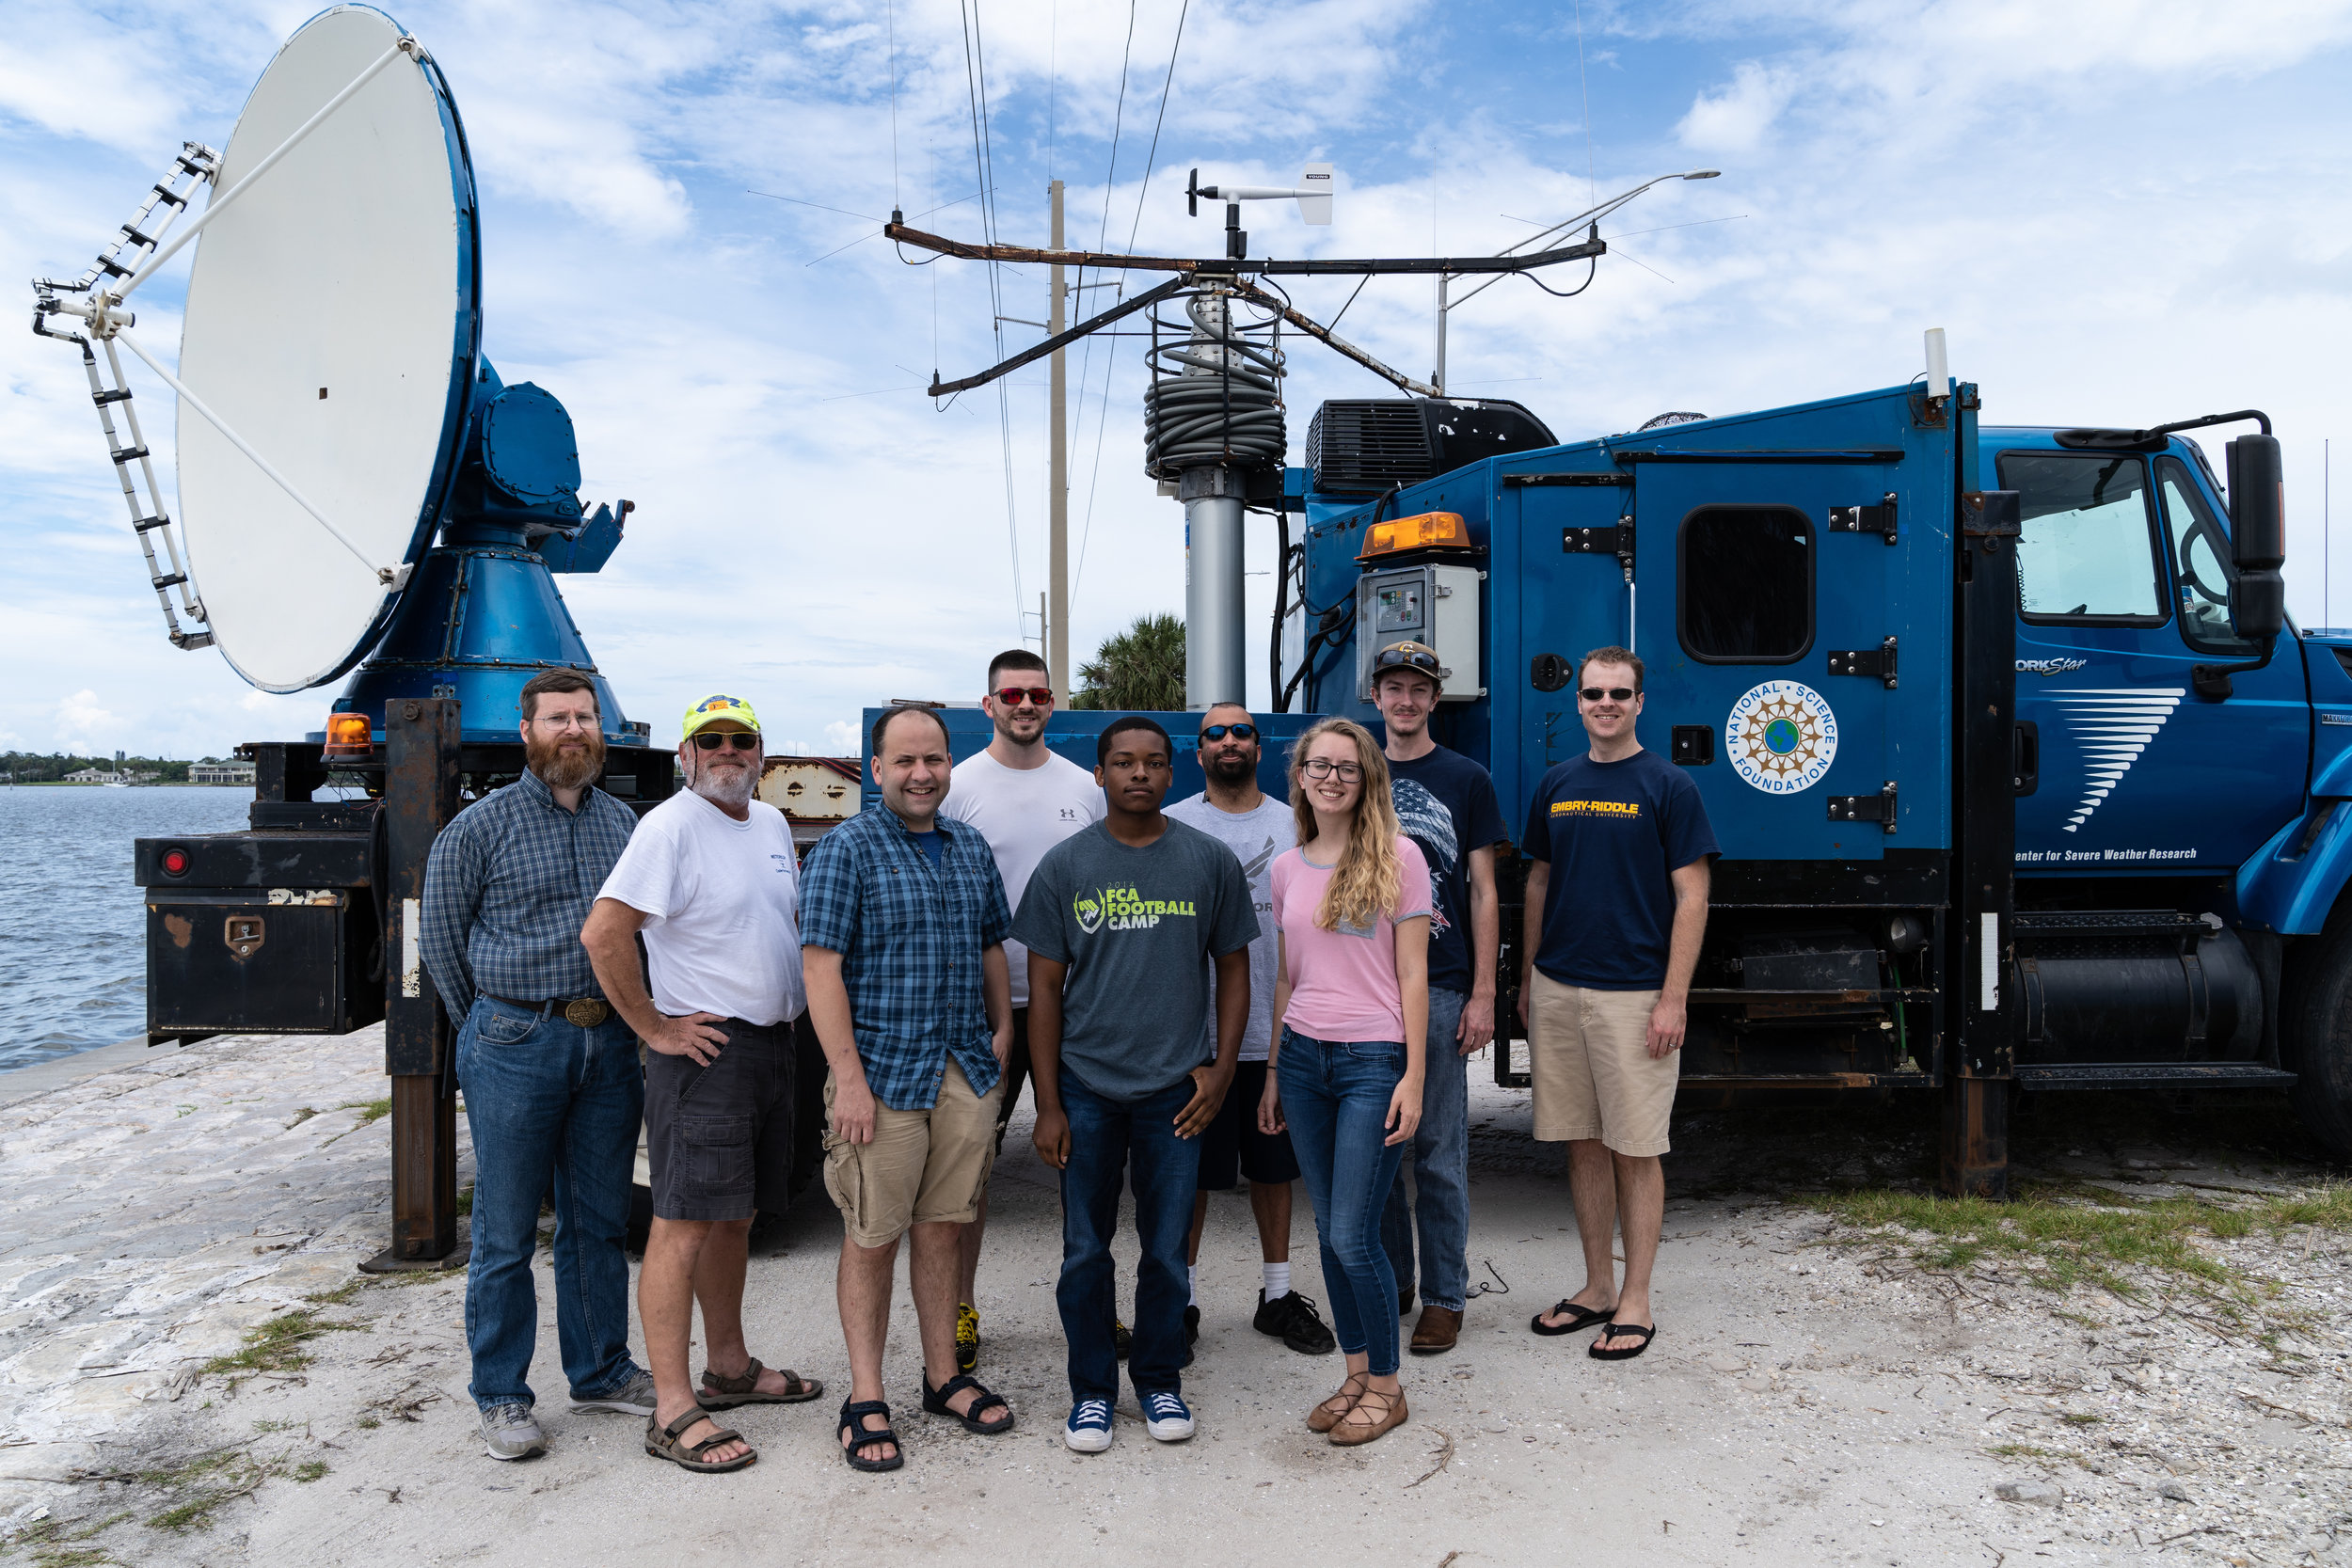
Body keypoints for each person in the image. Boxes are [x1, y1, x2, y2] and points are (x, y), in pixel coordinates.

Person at [581, 694, 825, 1474]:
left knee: (734, 1217)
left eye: (741, 738)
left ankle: (729, 1368)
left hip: (770, 1048)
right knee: (680, 1223)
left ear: (762, 753)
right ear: (685, 755)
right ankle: (673, 1408)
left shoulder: (771, 825)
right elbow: (604, 930)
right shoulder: (670, 826)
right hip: (705, 1058)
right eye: (709, 739)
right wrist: (655, 1027)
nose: (727, 750)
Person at [419, 669, 653, 1463]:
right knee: (506, 1227)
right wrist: (490, 1028)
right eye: (558, 718)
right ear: (527, 732)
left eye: (586, 717)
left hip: (608, 1043)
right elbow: (442, 948)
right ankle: (503, 1395)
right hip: (516, 1042)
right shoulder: (475, 830)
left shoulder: (623, 824)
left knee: (597, 1220)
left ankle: (601, 1370)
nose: (574, 730)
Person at [1016, 717, 1257, 1453]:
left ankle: (1158, 1380)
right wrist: (1050, 1101)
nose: (1140, 774)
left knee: (1164, 1251)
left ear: (1171, 772)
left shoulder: (1209, 861)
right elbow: (1044, 991)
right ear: (1100, 774)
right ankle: (1091, 1391)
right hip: (1086, 1086)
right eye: (1124, 762)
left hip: (1173, 1092)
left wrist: (1219, 1070)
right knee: (1085, 1248)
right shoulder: (1065, 866)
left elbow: (1235, 969)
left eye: (1154, 762)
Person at [799, 704, 1018, 1472]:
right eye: (905, 761)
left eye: (934, 759)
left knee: (943, 1227)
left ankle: (941, 1377)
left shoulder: (968, 845)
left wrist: (1002, 1029)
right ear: (877, 767)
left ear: (948, 764)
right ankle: (865, 1396)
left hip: (963, 1068)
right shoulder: (846, 849)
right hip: (883, 1076)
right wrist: (848, 1079)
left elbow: (993, 939)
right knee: (871, 1235)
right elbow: (820, 966)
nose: (922, 774)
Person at [1519, 647, 1716, 1363]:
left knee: (1637, 1146)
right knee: (1581, 1139)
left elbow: (1693, 894)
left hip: (1635, 994)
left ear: (1640, 702)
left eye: (1619, 692)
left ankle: (1637, 1298)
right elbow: (1539, 883)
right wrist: (1527, 977)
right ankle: (1598, 1285)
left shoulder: (1669, 785)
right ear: (1577, 703)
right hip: (1558, 986)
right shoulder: (1556, 782)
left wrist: (1674, 998)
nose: (1605, 703)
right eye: (1593, 692)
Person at [1263, 718, 1430, 1448]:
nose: (1331, 778)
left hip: (1373, 1060)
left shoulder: (1401, 856)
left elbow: (1414, 974)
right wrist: (1272, 1069)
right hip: (1303, 1058)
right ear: (1300, 776)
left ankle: (1388, 1387)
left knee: (1354, 1233)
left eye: (1347, 768)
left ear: (1368, 780)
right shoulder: (1287, 866)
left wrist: (1415, 1075)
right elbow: (1288, 976)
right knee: (1329, 1234)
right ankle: (1357, 1371)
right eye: (1318, 766)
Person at [938, 649, 1104, 1373]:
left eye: (1038, 693)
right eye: (1013, 694)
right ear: (988, 704)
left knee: (1087, 1168)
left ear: (1051, 702)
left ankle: (1095, 1307)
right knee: (968, 1171)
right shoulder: (959, 785)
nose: (1026, 704)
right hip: (988, 1011)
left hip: (1077, 1009)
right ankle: (962, 1311)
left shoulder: (1083, 788)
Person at [1165, 704, 1336, 1356]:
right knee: (1192, 1176)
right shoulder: (1174, 823)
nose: (1229, 740)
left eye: (1241, 732)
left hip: (1280, 1031)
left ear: (1260, 748)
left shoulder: (1298, 823)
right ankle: (1181, 1300)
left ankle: (1277, 1295)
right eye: (1216, 733)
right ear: (1198, 749)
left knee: (1274, 1170)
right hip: (1197, 1040)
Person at [1369, 641, 1508, 1355]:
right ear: (1376, 695)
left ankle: (1444, 1297)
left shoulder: (1467, 777)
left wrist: (1485, 990)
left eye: (1419, 689)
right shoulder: (1353, 770)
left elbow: (1483, 889)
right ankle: (1390, 1283)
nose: (1406, 700)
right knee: (1380, 1147)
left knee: (1439, 1148)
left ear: (1435, 698)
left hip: (1446, 981)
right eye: (1394, 687)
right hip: (1366, 988)